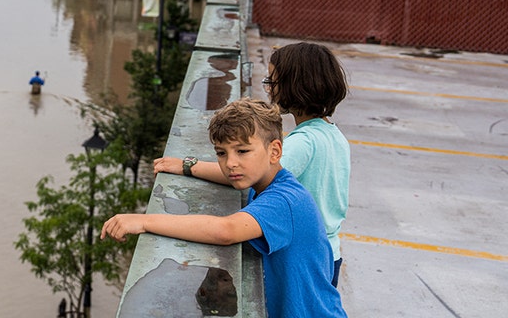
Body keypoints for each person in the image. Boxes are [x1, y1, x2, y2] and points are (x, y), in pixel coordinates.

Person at [102, 99, 347, 318]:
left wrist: (144, 221)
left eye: (242, 151)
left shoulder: (285, 201)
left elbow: (226, 231)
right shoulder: (266, 181)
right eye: (221, 153)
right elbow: (231, 176)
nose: (230, 163)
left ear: (275, 151)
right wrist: (187, 166)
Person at [152, 42, 350, 287]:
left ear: (295, 86)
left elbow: (247, 174)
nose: (268, 88)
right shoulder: (332, 134)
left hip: (307, 258)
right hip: (329, 251)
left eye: (273, 81)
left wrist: (188, 166)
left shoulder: (304, 142)